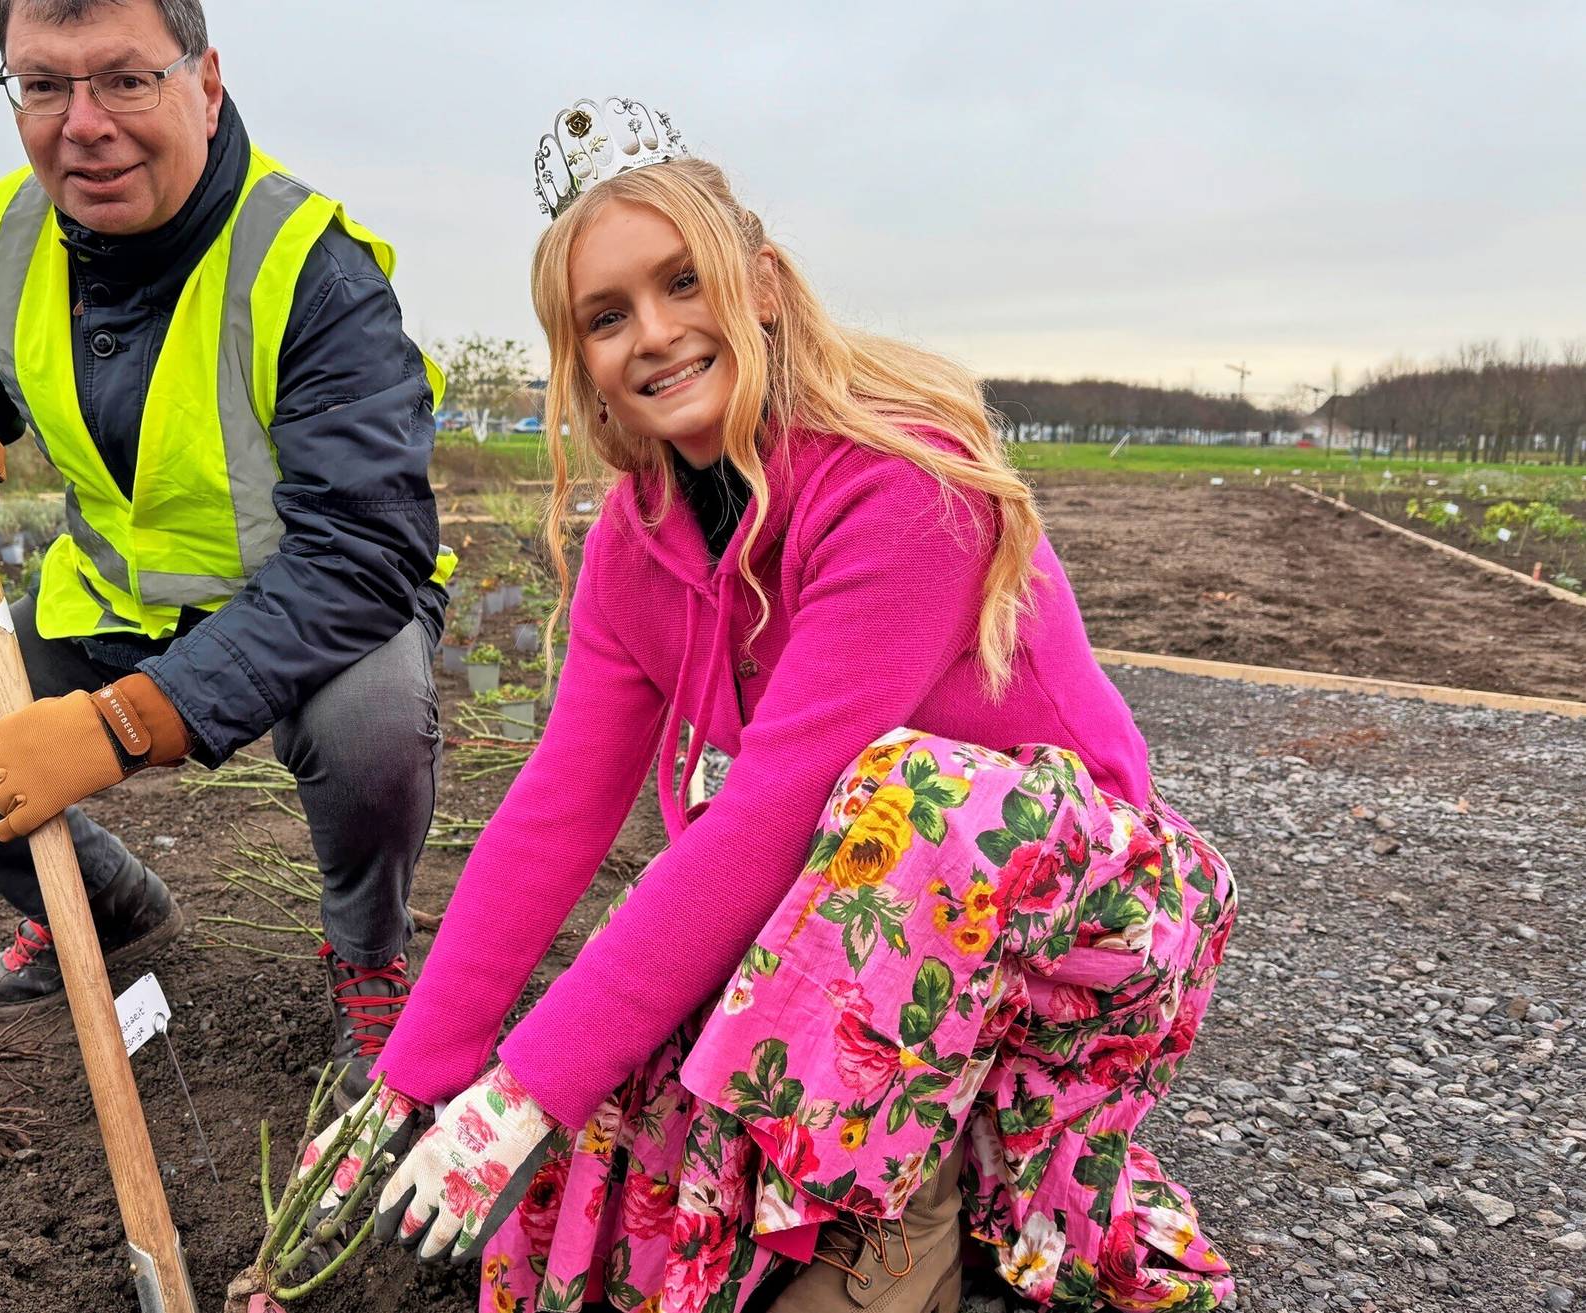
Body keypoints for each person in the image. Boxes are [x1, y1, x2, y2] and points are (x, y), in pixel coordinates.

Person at [303, 99, 1237, 1312]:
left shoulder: (900, 482)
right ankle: (816, 1197)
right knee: (623, 1066)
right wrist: (418, 1074)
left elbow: (773, 816)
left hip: (1083, 928)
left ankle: (907, 1216)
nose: (654, 333)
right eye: (607, 314)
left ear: (765, 283)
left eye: (682, 281)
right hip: (867, 930)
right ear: (578, 356)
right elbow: (554, 813)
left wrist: (524, 1084)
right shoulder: (636, 547)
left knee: (894, 801)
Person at [0, 0, 452, 1106]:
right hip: (113, 605)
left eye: (124, 79)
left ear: (204, 82)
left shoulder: (313, 269)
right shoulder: (1, 233)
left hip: (313, 607)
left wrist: (127, 721)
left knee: (372, 727)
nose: (83, 123)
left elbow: (364, 553)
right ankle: (104, 902)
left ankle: (369, 952)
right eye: (43, 85)